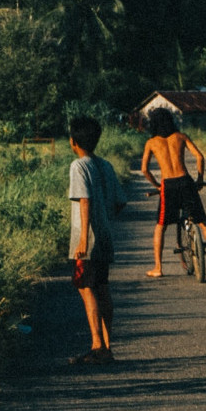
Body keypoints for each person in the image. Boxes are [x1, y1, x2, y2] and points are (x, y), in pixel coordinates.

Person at [140, 107, 206, 277]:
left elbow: (144, 169)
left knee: (161, 226)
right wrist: (200, 179)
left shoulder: (151, 143)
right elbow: (199, 157)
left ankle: (158, 267)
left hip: (168, 185)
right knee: (203, 222)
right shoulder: (181, 137)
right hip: (186, 182)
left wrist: (157, 185)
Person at [67, 115, 128, 365]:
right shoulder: (106, 165)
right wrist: (104, 220)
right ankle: (107, 345)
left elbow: (84, 200)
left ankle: (96, 345)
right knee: (102, 288)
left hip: (88, 239)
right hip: (104, 235)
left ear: (73, 141)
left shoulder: (79, 166)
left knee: (86, 288)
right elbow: (119, 201)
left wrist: (83, 239)